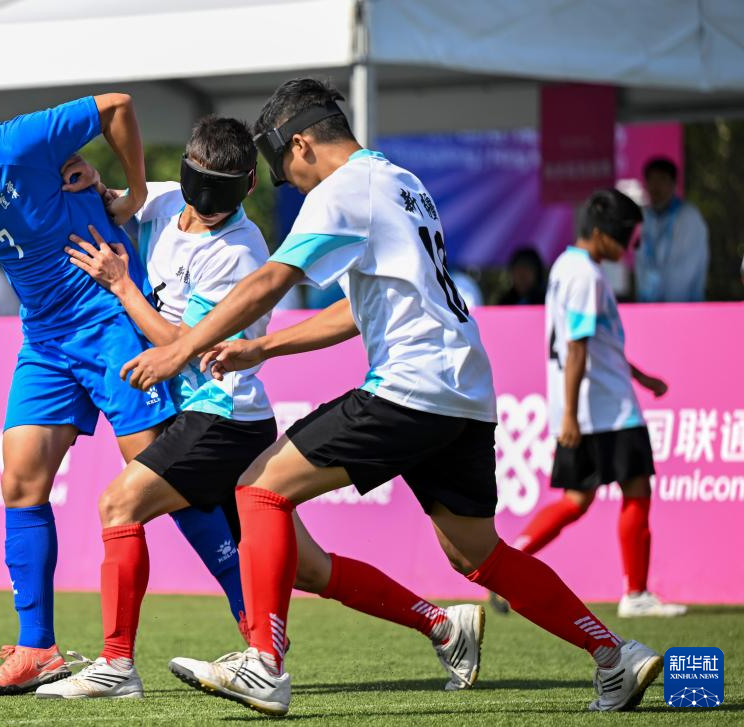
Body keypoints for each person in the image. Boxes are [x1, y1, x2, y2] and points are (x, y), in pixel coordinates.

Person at [120, 79, 662, 716]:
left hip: (411, 383)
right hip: (465, 390)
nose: (291, 184)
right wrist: (262, 347)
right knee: (475, 554)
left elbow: (270, 281)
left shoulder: (341, 190)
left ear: (301, 144)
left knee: (258, 488)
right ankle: (615, 655)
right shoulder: (403, 183)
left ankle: (264, 663)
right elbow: (358, 311)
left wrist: (181, 348)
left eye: (285, 170)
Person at [34, 117, 483, 701]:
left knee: (119, 503)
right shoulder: (164, 202)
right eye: (199, 189)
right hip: (221, 419)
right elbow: (119, 201)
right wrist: (95, 182)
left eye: (221, 196)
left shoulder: (242, 252)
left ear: (248, 187)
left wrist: (122, 287)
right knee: (310, 569)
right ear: (187, 172)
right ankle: (444, 625)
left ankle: (117, 665)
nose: (207, 207)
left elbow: (186, 350)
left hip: (222, 415)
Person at [0, 97, 246, 696]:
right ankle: (37, 649)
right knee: (20, 479)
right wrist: (80, 180)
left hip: (108, 319)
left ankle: (255, 628)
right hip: (44, 338)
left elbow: (118, 106)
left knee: (162, 481)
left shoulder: (16, 142)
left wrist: (132, 192)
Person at [491, 190, 686, 620]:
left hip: (588, 405)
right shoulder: (587, 277)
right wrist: (569, 414)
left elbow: (596, 344)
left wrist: (639, 376)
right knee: (637, 489)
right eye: (624, 237)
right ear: (599, 233)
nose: (628, 247)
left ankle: (507, 565)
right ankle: (636, 594)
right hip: (607, 407)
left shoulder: (566, 266)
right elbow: (577, 347)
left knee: (576, 499)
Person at [635, 157, 709, 302]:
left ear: (673, 184)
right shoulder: (643, 219)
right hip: (648, 307)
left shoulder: (689, 217)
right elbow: (640, 264)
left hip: (685, 305)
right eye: (651, 180)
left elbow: (688, 269)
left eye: (662, 179)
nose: (656, 186)